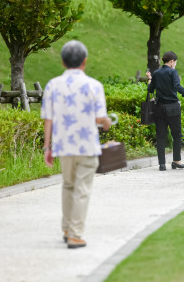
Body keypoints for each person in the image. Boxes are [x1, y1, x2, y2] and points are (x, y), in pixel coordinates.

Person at [41, 40, 111, 249]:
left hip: (63, 146)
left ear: (63, 62)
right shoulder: (94, 86)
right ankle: (75, 234)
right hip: (87, 145)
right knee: (81, 189)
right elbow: (100, 118)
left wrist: (47, 147)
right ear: (85, 61)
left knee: (68, 185)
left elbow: (48, 119)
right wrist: (106, 122)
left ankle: (66, 228)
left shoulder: (52, 85)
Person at [146, 51, 184, 171]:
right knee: (176, 135)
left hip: (159, 108)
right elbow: (178, 87)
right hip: (173, 107)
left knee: (161, 136)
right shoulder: (173, 72)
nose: (175, 65)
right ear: (172, 61)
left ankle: (162, 164)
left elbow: (150, 89)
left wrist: (150, 79)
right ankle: (176, 161)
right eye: (175, 62)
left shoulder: (156, 73)